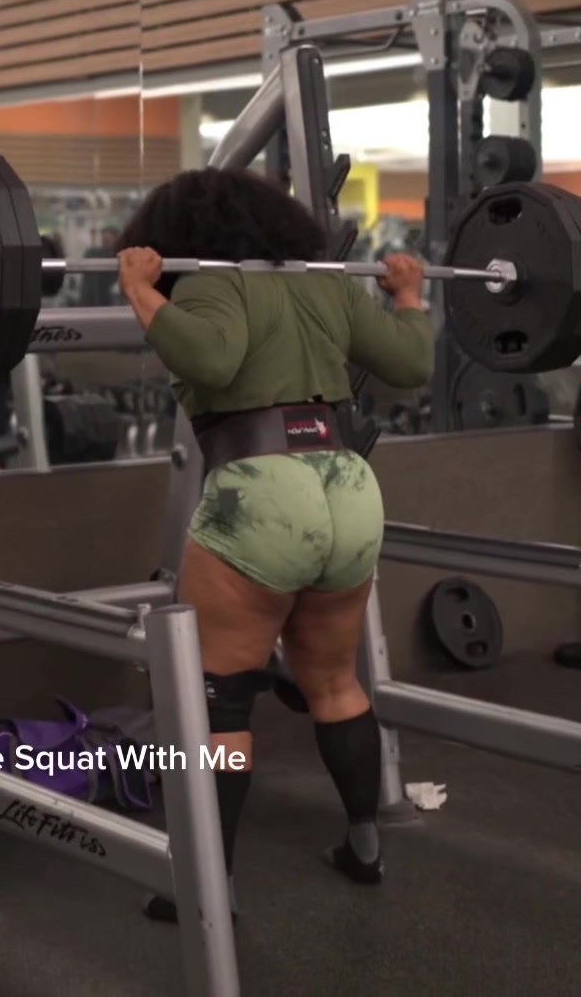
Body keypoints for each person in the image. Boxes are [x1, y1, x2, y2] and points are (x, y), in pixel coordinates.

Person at [115, 168, 433, 922]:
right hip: (346, 485)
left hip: (261, 490)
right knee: (336, 683)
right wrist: (409, 296)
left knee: (219, 696)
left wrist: (140, 290)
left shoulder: (209, 283)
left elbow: (210, 359)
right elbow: (412, 364)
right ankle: (364, 847)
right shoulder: (327, 284)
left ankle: (208, 885)